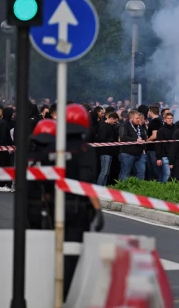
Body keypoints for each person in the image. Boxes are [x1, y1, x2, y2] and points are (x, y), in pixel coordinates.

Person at [26, 104, 104, 302]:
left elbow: (41, 181)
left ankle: (45, 294)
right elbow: (86, 182)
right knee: (71, 256)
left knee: (50, 254)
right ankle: (61, 297)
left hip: (51, 208)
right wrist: (97, 208)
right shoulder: (86, 150)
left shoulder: (50, 149)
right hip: (77, 209)